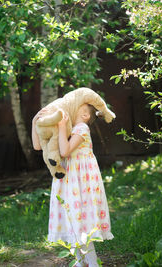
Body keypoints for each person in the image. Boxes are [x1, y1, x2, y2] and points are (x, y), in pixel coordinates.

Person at [32, 104, 114, 267]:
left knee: (82, 220)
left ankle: (92, 263)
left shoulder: (82, 128)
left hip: (81, 181)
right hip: (68, 180)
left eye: (76, 108)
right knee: (71, 218)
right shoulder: (68, 129)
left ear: (84, 115)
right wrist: (35, 121)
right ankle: (80, 261)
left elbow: (65, 151)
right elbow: (37, 145)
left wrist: (61, 126)